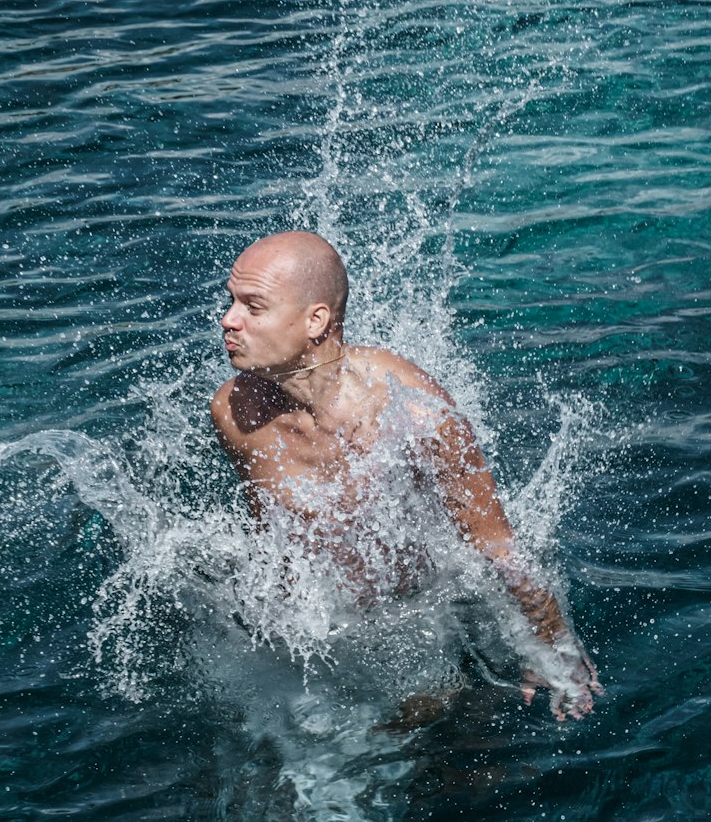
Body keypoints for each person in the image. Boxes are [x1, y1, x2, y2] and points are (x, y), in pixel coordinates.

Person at [209, 230, 602, 721]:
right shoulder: (234, 412)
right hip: (341, 635)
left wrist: (554, 650)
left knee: (451, 749)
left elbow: (497, 549)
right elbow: (273, 543)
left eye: (253, 306)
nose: (228, 320)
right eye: (231, 301)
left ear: (316, 321)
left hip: (437, 611)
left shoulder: (413, 410)